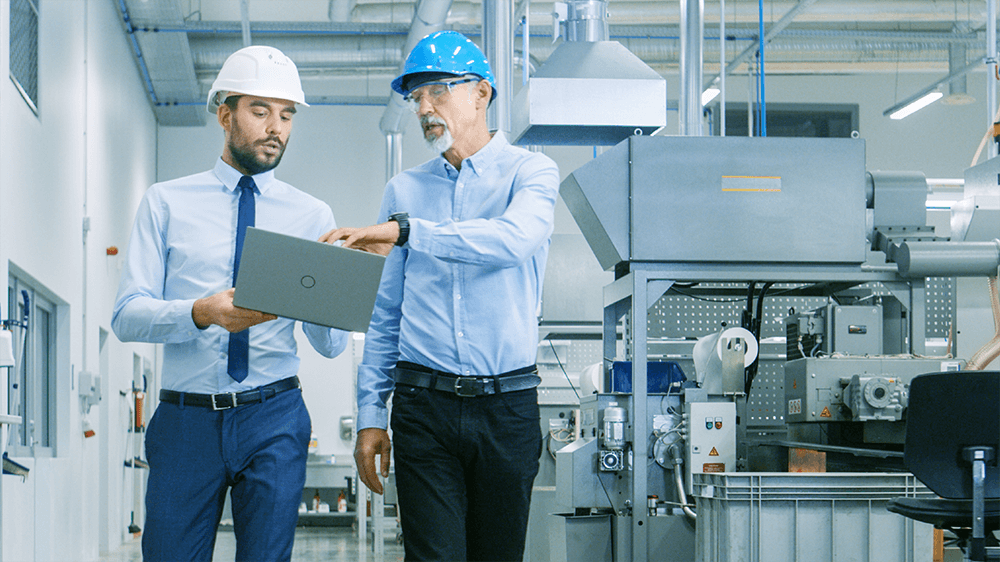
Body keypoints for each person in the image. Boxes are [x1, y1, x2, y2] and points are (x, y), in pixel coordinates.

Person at [321, 30, 560, 562]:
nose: (425, 107)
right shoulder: (404, 190)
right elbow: (386, 315)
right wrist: (369, 415)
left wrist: (408, 232)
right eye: (416, 97)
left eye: (439, 90)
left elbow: (512, 240)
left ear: (482, 93)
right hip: (422, 406)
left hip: (508, 407)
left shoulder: (531, 173)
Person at [112, 45, 348, 562]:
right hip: (186, 421)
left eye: (286, 116)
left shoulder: (311, 214)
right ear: (225, 114)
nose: (276, 128)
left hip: (275, 415)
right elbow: (127, 313)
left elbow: (330, 347)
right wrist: (202, 312)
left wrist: (339, 288)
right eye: (260, 111)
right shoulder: (167, 202)